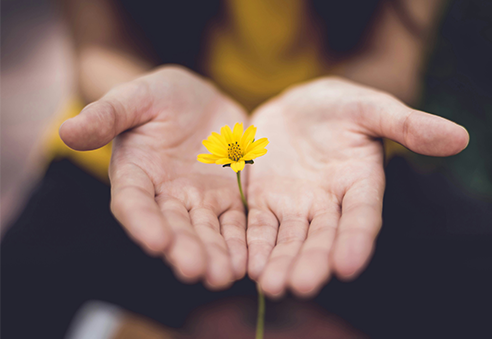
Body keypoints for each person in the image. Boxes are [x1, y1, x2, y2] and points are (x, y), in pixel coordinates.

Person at [1, 0, 491, 337]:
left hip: (330, 159)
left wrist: (343, 100)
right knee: (19, 296)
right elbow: (100, 48)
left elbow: (391, 60)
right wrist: (140, 98)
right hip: (151, 156)